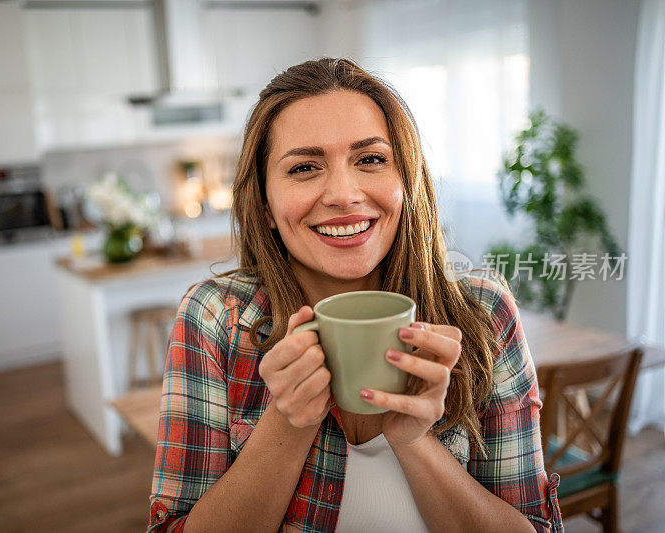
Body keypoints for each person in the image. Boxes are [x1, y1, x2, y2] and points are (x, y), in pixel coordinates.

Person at [147, 57, 562, 533]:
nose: (343, 194)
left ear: (405, 181)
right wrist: (289, 423)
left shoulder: (484, 311)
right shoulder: (216, 318)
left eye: (370, 159)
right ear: (263, 203)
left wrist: (413, 441)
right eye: (304, 167)